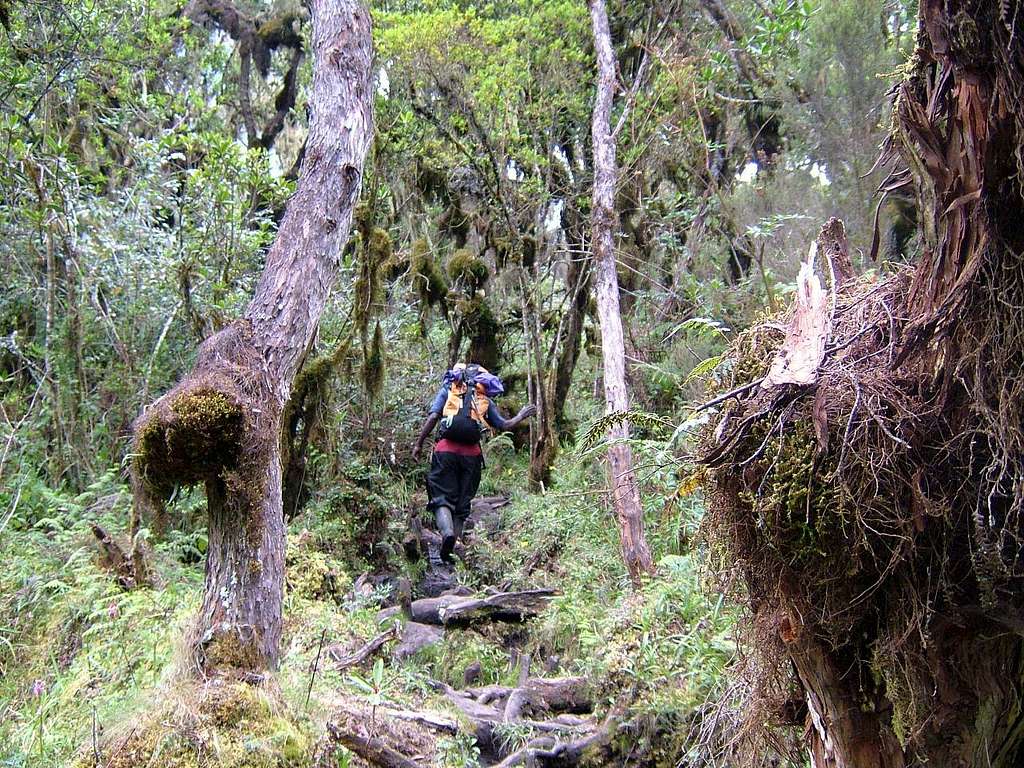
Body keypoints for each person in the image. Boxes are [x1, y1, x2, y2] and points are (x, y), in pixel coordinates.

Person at [412, 363, 536, 564]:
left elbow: (434, 416)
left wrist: (418, 444)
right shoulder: (482, 398)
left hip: (445, 451)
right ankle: (453, 550)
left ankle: (447, 534)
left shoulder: (448, 390)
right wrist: (521, 415)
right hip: (472, 455)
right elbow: (504, 425)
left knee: (441, 498)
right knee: (462, 505)